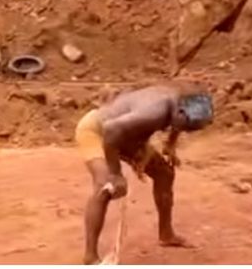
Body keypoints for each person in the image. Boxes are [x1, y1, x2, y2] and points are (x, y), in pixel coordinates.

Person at [74, 83, 214, 264]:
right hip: (98, 130)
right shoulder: (153, 112)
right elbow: (110, 130)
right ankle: (90, 256)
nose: (187, 131)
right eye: (188, 126)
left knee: (164, 173)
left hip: (127, 136)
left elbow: (175, 124)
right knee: (105, 186)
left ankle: (166, 234)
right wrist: (116, 174)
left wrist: (169, 145)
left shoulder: (178, 105)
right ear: (179, 112)